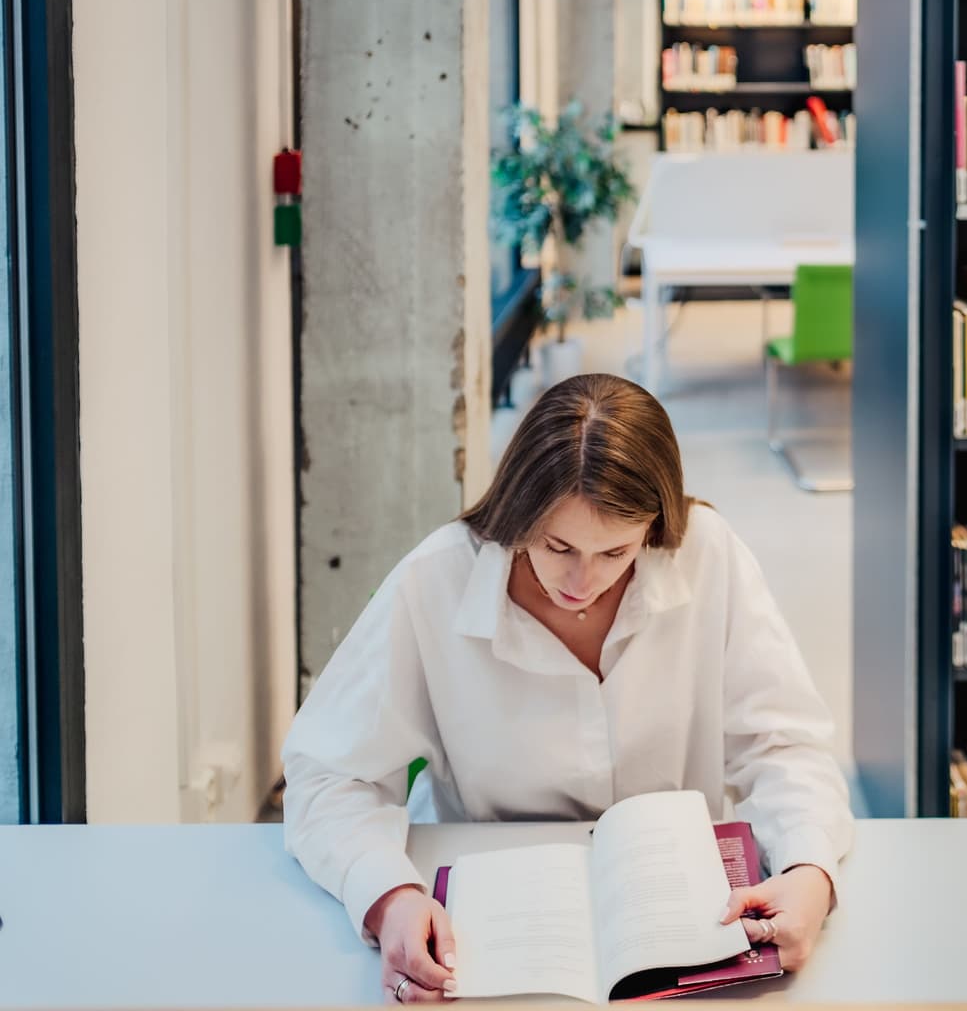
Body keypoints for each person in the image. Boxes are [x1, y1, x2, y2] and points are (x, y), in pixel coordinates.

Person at [281, 374, 852, 1003]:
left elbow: (785, 746)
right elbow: (328, 774)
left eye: (615, 552)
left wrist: (808, 870)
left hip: (683, 931)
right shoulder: (436, 581)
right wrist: (387, 896)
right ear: (520, 510)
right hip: (486, 937)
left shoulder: (708, 555)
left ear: (654, 525)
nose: (584, 581)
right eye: (558, 546)